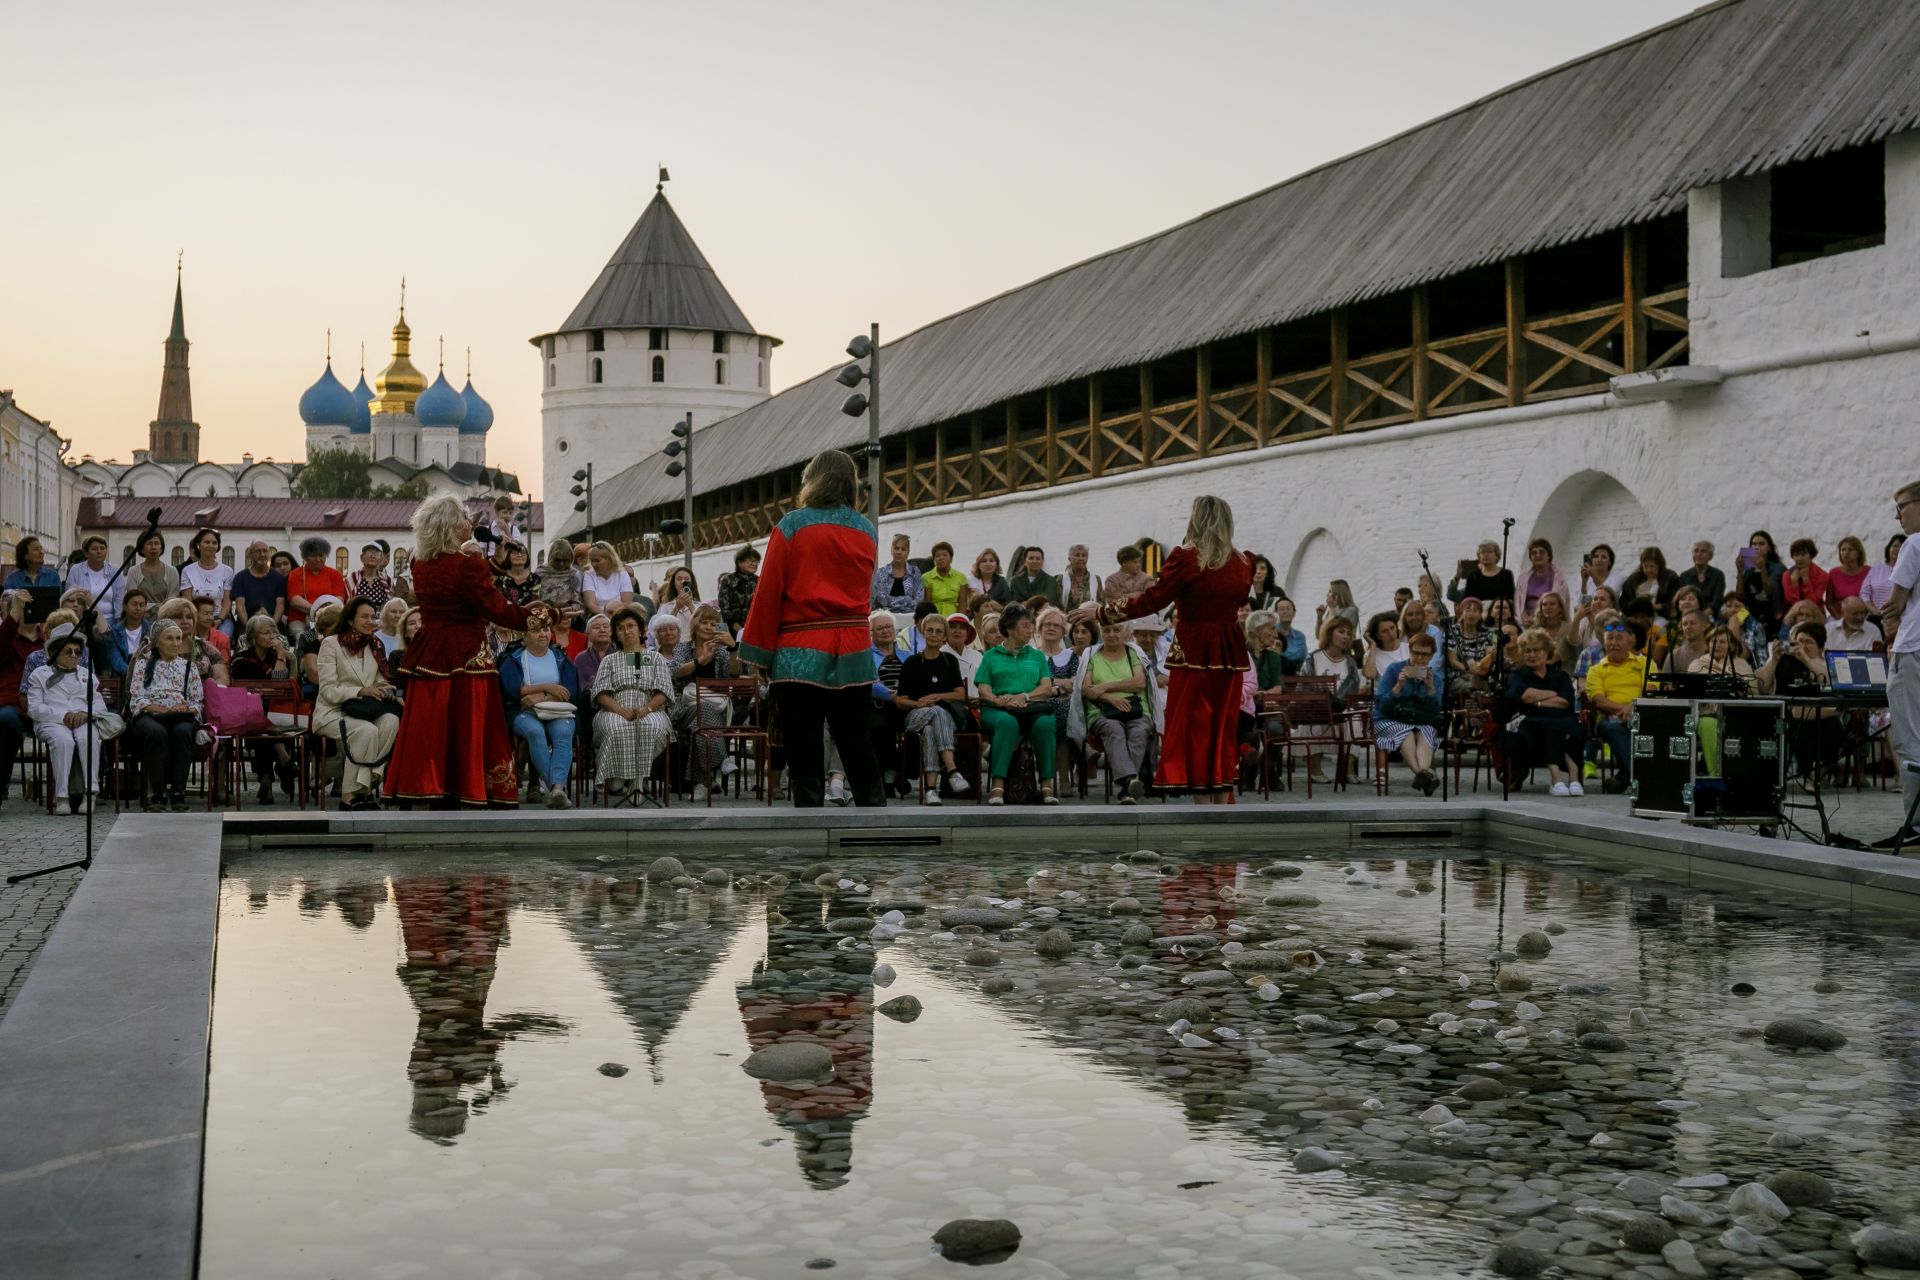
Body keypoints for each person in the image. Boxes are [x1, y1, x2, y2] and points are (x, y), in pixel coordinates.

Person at [1072, 495, 1252, 803]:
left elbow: (1152, 599)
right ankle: (1221, 803)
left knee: (1194, 724)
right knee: (1223, 725)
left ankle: (1202, 805)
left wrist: (1102, 613)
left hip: (1194, 649)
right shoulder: (1244, 562)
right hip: (1230, 652)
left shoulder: (1186, 557)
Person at [738, 449, 885, 808]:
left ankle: (810, 827)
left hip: (799, 649)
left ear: (812, 480)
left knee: (803, 743)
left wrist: (759, 652)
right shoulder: (866, 530)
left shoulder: (793, 525)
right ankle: (878, 818)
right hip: (853, 648)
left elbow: (769, 591)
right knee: (855, 739)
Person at [383, 495, 533, 808]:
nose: (471, 524)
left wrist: (490, 566)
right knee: (468, 723)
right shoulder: (467, 566)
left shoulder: (420, 564)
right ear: (452, 525)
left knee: (432, 724)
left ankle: (429, 786)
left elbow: (456, 587)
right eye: (465, 518)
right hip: (466, 653)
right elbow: (497, 610)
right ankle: (467, 787)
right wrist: (545, 614)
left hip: (431, 650)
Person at [313, 598, 401, 810]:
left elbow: (380, 679)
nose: (370, 621)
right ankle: (350, 796)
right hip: (333, 711)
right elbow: (328, 691)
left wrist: (384, 688)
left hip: (364, 710)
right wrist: (360, 691)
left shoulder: (374, 645)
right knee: (366, 731)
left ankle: (367, 787)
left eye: (373, 616)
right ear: (351, 620)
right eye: (364, 616)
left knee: (391, 720)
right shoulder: (331, 644)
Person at [974, 602, 1063, 805]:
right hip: (997, 708)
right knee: (1007, 723)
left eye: (1031, 625)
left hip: (1031, 706)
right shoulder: (990, 656)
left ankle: (1047, 786)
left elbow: (1046, 687)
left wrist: (1024, 696)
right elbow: (983, 689)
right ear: (1010, 629)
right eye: (1025, 625)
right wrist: (999, 700)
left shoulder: (1037, 655)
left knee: (1046, 723)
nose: (1030, 630)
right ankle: (998, 787)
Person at [591, 607, 674, 800]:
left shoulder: (654, 658)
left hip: (649, 708)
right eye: (620, 628)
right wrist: (620, 710)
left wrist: (647, 708)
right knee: (617, 727)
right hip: (614, 708)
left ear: (641, 630)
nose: (626, 631)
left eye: (630, 626)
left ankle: (637, 782)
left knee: (651, 727)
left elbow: (663, 691)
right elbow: (601, 694)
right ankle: (618, 775)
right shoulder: (610, 660)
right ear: (616, 634)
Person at [1876, 479, 1920, 848]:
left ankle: (1916, 824)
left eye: (1902, 506)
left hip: (1914, 648)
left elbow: (1895, 603)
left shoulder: (1915, 543)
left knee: (1909, 738)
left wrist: (1888, 612)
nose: (1897, 515)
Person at [500, 605, 578, 809]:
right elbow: (511, 690)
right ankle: (557, 788)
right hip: (524, 711)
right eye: (536, 630)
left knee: (563, 732)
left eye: (545, 629)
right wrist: (546, 687)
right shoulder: (513, 658)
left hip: (558, 708)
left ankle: (556, 789)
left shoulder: (560, 657)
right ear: (524, 636)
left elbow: (570, 689)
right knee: (535, 732)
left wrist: (539, 695)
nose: (542, 634)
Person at [896, 613, 972, 804]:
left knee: (931, 727)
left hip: (941, 719)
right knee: (937, 712)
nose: (933, 635)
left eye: (938, 632)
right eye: (929, 630)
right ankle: (952, 770)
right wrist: (919, 703)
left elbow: (960, 694)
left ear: (944, 637)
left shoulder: (949, 661)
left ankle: (930, 790)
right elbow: (900, 700)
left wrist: (938, 697)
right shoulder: (911, 663)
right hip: (915, 716)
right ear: (923, 632)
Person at [126, 620, 203, 812]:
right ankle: (158, 795)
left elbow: (197, 701)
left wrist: (184, 708)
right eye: (169, 638)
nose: (176, 643)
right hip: (150, 715)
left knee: (183, 731)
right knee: (156, 733)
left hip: (179, 717)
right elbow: (136, 699)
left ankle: (178, 793)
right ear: (156, 642)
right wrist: (159, 709)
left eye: (178, 638)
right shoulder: (143, 665)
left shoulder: (189, 667)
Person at [26, 625, 102, 814]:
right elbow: (34, 709)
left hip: (83, 720)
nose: (74, 655)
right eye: (68, 651)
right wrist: (63, 716)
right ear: (54, 652)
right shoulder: (40, 675)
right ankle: (62, 797)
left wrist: (86, 713)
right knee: (63, 740)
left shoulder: (87, 675)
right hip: (51, 722)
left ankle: (90, 794)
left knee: (89, 737)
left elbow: (99, 705)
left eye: (77, 652)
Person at [671, 604, 741, 803]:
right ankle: (721, 760)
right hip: (683, 707)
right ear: (695, 624)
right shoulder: (683, 648)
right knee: (702, 713)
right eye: (704, 622)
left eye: (714, 623)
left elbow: (733, 673)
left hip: (716, 707)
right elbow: (675, 672)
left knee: (700, 727)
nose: (709, 626)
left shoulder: (720, 652)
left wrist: (733, 647)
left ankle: (702, 783)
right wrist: (699, 662)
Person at [228, 613, 301, 803]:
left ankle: (266, 781)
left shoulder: (280, 657)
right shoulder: (240, 660)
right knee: (261, 710)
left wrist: (282, 657)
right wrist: (278, 665)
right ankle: (284, 761)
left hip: (276, 712)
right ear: (253, 637)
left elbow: (282, 688)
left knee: (267, 718)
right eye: (265, 633)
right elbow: (257, 692)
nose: (271, 637)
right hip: (247, 714)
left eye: (274, 632)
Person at [1758, 623, 1842, 786]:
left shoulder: (1824, 663)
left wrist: (1806, 658)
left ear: (1820, 647)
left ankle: (1821, 771)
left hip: (1820, 715)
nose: (1802, 646)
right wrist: (1772, 659)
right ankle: (1811, 776)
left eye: (1808, 642)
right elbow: (1762, 687)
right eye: (1799, 641)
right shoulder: (1783, 662)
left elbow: (1829, 681)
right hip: (1790, 717)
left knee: (1834, 726)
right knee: (1800, 728)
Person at [1506, 628, 1582, 796]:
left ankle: (1568, 778)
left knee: (1567, 726)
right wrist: (1552, 695)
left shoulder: (1560, 676)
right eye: (1527, 651)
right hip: (1529, 720)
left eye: (1536, 650)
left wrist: (1538, 702)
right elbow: (1526, 696)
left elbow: (1566, 702)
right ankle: (1562, 777)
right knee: (1550, 726)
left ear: (1547, 652)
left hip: (1560, 718)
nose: (1531, 655)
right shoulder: (1517, 675)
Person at [1373, 631, 1444, 794]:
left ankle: (1422, 775)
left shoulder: (1436, 678)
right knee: (1405, 732)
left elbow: (1436, 710)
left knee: (1428, 730)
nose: (1419, 658)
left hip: (1418, 720)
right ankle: (1425, 775)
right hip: (1388, 718)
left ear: (1432, 656)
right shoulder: (1393, 670)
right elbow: (1381, 706)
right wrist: (1398, 686)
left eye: (1424, 655)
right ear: (1410, 651)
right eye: (1415, 653)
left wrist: (1430, 688)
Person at [1584, 619, 1649, 794]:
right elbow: (1599, 701)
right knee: (1614, 728)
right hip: (1609, 719)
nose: (1613, 643)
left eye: (1619, 638)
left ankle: (1624, 778)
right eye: (1609, 638)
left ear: (1631, 641)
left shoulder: (1645, 664)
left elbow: (1650, 693)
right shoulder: (1596, 670)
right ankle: (1638, 779)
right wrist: (1624, 710)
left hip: (1642, 714)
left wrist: (1632, 707)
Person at [1306, 614, 1364, 783]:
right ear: (1330, 633)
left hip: (1341, 707)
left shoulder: (1350, 662)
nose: (1346, 637)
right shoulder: (1313, 658)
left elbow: (1352, 690)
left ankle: (1348, 768)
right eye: (1341, 632)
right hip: (1317, 706)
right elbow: (1306, 685)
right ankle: (1315, 768)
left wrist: (1339, 701)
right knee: (1315, 716)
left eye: (1349, 633)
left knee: (1353, 717)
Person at [286, 536, 348, 637]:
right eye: (313, 556)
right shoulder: (295, 574)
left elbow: (339, 599)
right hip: (300, 620)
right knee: (304, 639)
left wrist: (325, 614)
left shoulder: (335, 574)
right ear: (305, 557)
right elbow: (295, 600)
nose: (318, 559)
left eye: (321, 555)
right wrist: (316, 611)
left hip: (329, 619)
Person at [66, 536, 123, 632]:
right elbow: (70, 596)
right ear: (86, 553)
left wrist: (119, 623)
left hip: (110, 622)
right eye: (94, 549)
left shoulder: (114, 570)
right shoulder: (76, 570)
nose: (99, 551)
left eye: (102, 548)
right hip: (84, 621)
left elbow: (119, 598)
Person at [1445, 597, 1495, 699]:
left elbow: (1490, 655)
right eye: (1468, 610)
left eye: (1476, 610)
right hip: (1458, 675)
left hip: (1481, 674)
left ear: (1480, 615)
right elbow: (1453, 660)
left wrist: (1480, 668)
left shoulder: (1486, 632)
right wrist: (1469, 669)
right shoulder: (1452, 631)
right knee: (1472, 688)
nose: (1472, 613)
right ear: (1462, 613)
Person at [231, 540, 287, 632]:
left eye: (265, 551)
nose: (262, 554)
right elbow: (240, 607)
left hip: (273, 624)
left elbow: (280, 606)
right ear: (250, 555)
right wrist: (250, 628)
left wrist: (270, 627)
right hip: (247, 625)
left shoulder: (278, 578)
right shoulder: (240, 578)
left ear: (269, 554)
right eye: (258, 551)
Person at [1448, 540, 1515, 609]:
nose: (1486, 554)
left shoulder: (1506, 574)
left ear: (1497, 555)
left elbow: (1511, 599)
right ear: (1479, 556)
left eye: (1489, 551)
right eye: (1482, 552)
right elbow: (1468, 600)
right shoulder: (1473, 576)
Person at [1516, 538, 1570, 625]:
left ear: (1549, 556)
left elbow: (1560, 604)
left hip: (1549, 620)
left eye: (1542, 552)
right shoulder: (1523, 577)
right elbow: (1518, 603)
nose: (1538, 555)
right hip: (1526, 622)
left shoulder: (1559, 578)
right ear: (1530, 557)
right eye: (1534, 553)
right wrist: (1525, 618)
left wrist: (1537, 620)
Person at [102, 585, 152, 678]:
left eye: (142, 605)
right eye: (134, 604)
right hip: (122, 676)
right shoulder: (114, 632)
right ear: (125, 606)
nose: (138, 608)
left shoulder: (152, 630)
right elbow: (115, 660)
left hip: (146, 675)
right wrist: (135, 674)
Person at [581, 541, 636, 617]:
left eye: (597, 561)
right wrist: (606, 615)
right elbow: (591, 605)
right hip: (598, 616)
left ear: (610, 559)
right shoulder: (589, 575)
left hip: (620, 616)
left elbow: (627, 603)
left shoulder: (622, 575)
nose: (593, 564)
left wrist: (614, 616)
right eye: (592, 561)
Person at [871, 533, 924, 611]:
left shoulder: (915, 572)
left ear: (908, 552)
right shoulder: (881, 573)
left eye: (903, 549)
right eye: (896, 548)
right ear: (891, 550)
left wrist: (895, 602)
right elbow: (882, 600)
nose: (899, 552)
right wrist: (907, 599)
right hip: (886, 616)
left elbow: (919, 599)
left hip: (910, 615)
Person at [717, 545, 762, 634]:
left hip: (754, 627)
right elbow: (723, 606)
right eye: (751, 561)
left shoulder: (760, 581)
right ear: (740, 562)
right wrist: (733, 623)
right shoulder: (728, 580)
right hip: (730, 627)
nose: (755, 564)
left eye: (757, 561)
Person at [1674, 541, 1727, 614]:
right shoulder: (1684, 576)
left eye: (1703, 551)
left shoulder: (1718, 575)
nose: (1699, 554)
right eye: (1696, 551)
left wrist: (1703, 615)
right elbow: (1681, 599)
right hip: (1688, 613)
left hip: (1711, 614)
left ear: (1710, 556)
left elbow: (1717, 601)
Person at [1827, 536, 1872, 619]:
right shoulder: (1834, 573)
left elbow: (1874, 598)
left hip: (1864, 617)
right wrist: (1838, 617)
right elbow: (1829, 602)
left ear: (1858, 553)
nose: (1846, 553)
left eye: (1850, 550)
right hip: (1840, 617)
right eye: (1843, 550)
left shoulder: (1869, 572)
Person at [1866, 533, 1907, 619]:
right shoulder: (1876, 569)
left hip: (1901, 618)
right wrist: (1875, 611)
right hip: (1876, 617)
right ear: (1889, 548)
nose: (1897, 549)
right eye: (1895, 546)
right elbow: (1864, 593)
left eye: (1901, 546)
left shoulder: (1909, 570)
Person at [960, 548, 1013, 613]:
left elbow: (1009, 607)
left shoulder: (1002, 582)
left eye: (991, 561)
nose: (988, 564)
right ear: (978, 564)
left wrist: (999, 607)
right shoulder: (971, 580)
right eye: (984, 561)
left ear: (996, 564)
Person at [920, 542, 966, 617]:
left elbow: (963, 604)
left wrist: (958, 620)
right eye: (937, 556)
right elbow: (927, 605)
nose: (941, 558)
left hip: (954, 618)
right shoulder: (926, 578)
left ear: (951, 558)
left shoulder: (961, 577)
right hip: (934, 617)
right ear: (934, 560)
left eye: (945, 555)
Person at [1247, 610, 1288, 691]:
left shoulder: (1274, 657)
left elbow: (1277, 688)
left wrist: (1262, 695)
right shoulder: (1239, 656)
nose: (1276, 634)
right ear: (1258, 631)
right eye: (1272, 628)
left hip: (1267, 702)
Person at [347, 540, 394, 608]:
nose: (373, 555)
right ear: (361, 557)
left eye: (376, 552)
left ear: (381, 558)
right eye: (369, 551)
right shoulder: (352, 578)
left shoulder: (387, 581)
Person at [1062, 544, 1102, 611]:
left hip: (1090, 619)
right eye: (1077, 555)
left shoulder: (1096, 579)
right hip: (1067, 619)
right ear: (1069, 559)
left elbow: (1100, 603)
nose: (1081, 558)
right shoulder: (1061, 579)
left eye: (1084, 555)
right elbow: (1057, 605)